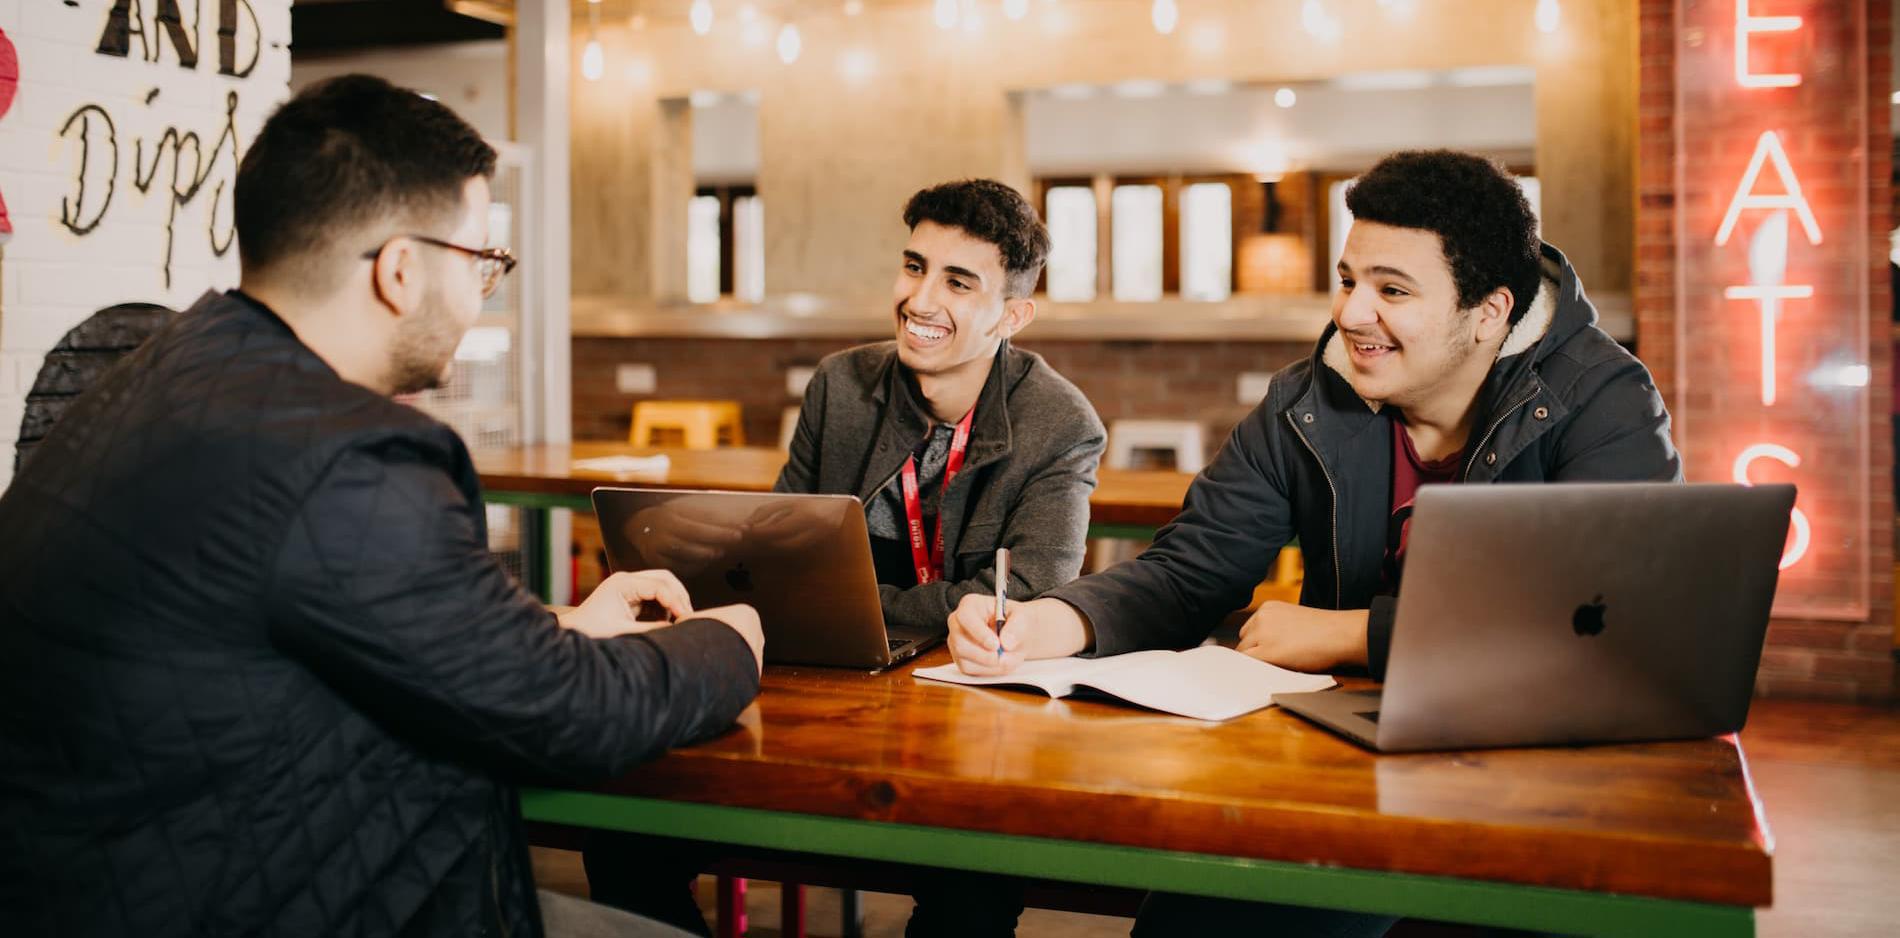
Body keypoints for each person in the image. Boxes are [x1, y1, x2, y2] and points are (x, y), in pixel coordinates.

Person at [0, 74, 764, 938]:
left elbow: (287, 616)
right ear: (402, 270)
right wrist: (727, 644)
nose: (484, 291)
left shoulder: (162, 372)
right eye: (483, 262)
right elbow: (569, 717)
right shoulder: (348, 452)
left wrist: (553, 626)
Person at [945, 149, 1682, 936]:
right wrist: (1048, 624)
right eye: (1348, 279)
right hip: (1341, 770)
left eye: (1392, 290)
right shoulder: (1304, 401)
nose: (1352, 314)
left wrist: (1354, 634)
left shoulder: (1602, 401)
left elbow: (1603, 627)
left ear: (1490, 312)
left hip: (1536, 787)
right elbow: (1191, 571)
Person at [586, 179, 1105, 938]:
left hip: (972, 714)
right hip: (820, 690)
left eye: (958, 283)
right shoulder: (840, 385)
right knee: (626, 822)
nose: (921, 299)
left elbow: (1025, 598)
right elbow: (766, 557)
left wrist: (847, 610)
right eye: (913, 266)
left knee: (972, 896)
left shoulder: (1060, 423)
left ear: (1012, 315)